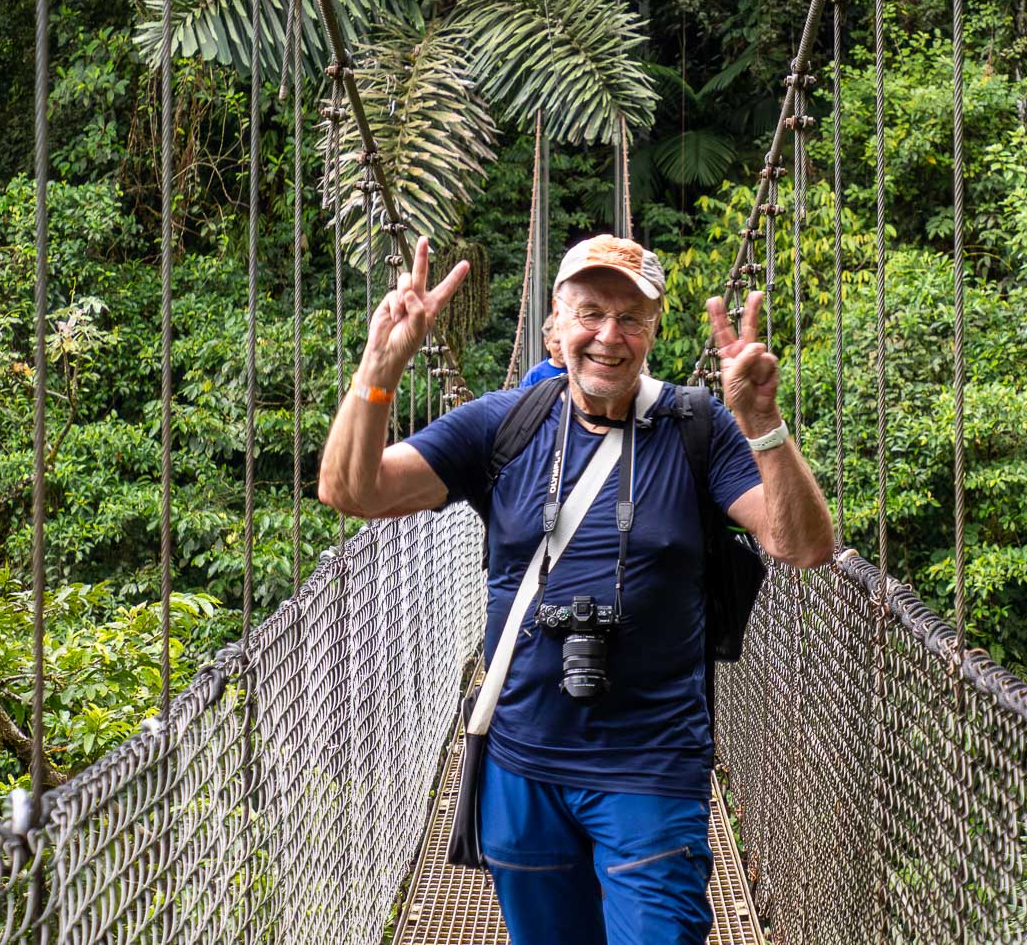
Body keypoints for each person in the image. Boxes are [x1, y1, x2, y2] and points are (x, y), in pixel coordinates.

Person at [319, 233, 834, 945]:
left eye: (631, 318)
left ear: (655, 329)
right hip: (521, 766)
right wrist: (380, 368)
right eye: (590, 313)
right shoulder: (503, 424)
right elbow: (352, 491)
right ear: (555, 325)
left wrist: (765, 426)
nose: (608, 336)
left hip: (652, 767)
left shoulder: (697, 427)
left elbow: (803, 547)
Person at [518, 312, 567, 387]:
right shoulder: (535, 376)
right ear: (546, 343)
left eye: (567, 341)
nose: (564, 347)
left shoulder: (583, 371)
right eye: (557, 342)